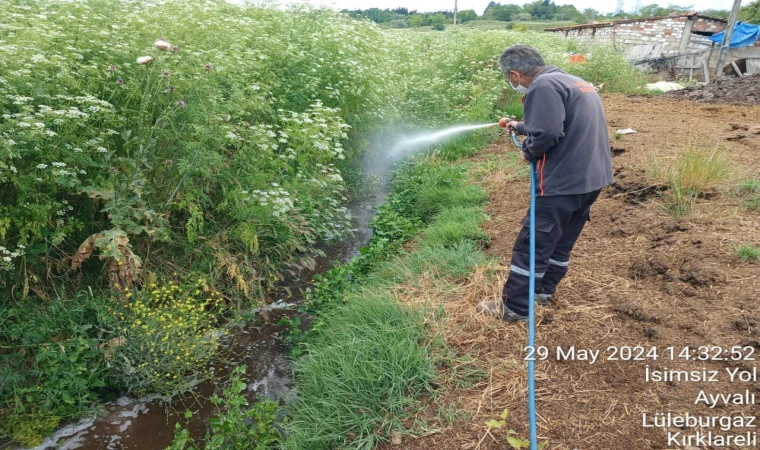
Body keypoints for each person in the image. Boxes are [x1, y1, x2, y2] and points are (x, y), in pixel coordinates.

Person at [477, 45, 614, 322]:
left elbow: (549, 132)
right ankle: (542, 291)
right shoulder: (572, 81)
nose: (510, 82)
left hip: (563, 182)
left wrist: (528, 152)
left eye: (508, 78)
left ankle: (515, 308)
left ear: (515, 74)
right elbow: (558, 122)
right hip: (591, 179)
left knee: (532, 243)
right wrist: (519, 126)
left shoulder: (543, 86)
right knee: (561, 241)